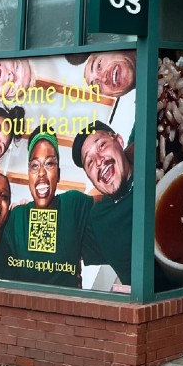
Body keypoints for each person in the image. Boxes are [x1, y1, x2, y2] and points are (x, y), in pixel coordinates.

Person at [0, 126, 94, 288]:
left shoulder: (72, 204)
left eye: (49, 164)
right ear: (29, 173)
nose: (41, 173)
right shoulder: (17, 217)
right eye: (35, 165)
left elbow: (110, 198)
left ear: (59, 174)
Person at [72, 122, 134, 286]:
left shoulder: (144, 146)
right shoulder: (98, 222)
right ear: (91, 179)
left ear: (119, 141)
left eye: (101, 146)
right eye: (90, 162)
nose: (98, 161)